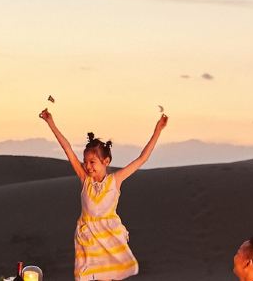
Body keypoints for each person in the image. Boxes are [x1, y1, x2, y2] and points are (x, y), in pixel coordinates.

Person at [39, 108, 168, 280]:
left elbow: (142, 158)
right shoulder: (85, 180)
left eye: (92, 162)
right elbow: (67, 148)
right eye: (85, 162)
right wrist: (51, 123)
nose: (88, 166)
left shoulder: (115, 180)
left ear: (105, 161)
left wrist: (158, 130)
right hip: (88, 237)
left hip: (109, 235)